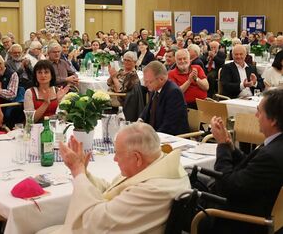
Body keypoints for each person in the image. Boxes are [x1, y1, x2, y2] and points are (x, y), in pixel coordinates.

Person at [37, 123, 190, 234]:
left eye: (117, 153)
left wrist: (78, 171)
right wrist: (84, 173)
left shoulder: (153, 188)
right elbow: (112, 190)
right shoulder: (159, 164)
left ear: (137, 158)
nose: (115, 159)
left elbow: (96, 223)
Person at [209, 89, 283, 234]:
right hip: (253, 203)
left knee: (180, 204)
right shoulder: (275, 144)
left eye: (259, 112)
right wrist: (231, 147)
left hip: (240, 220)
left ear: (273, 120)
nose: (256, 116)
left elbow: (226, 186)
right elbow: (252, 168)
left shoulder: (272, 155)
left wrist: (222, 146)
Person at [139, 61, 189, 135]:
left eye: (149, 82)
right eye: (145, 81)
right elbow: (147, 110)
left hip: (172, 137)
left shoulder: (173, 92)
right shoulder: (155, 88)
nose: (145, 85)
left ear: (161, 79)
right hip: (157, 133)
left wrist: (152, 136)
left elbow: (170, 124)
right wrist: (139, 121)